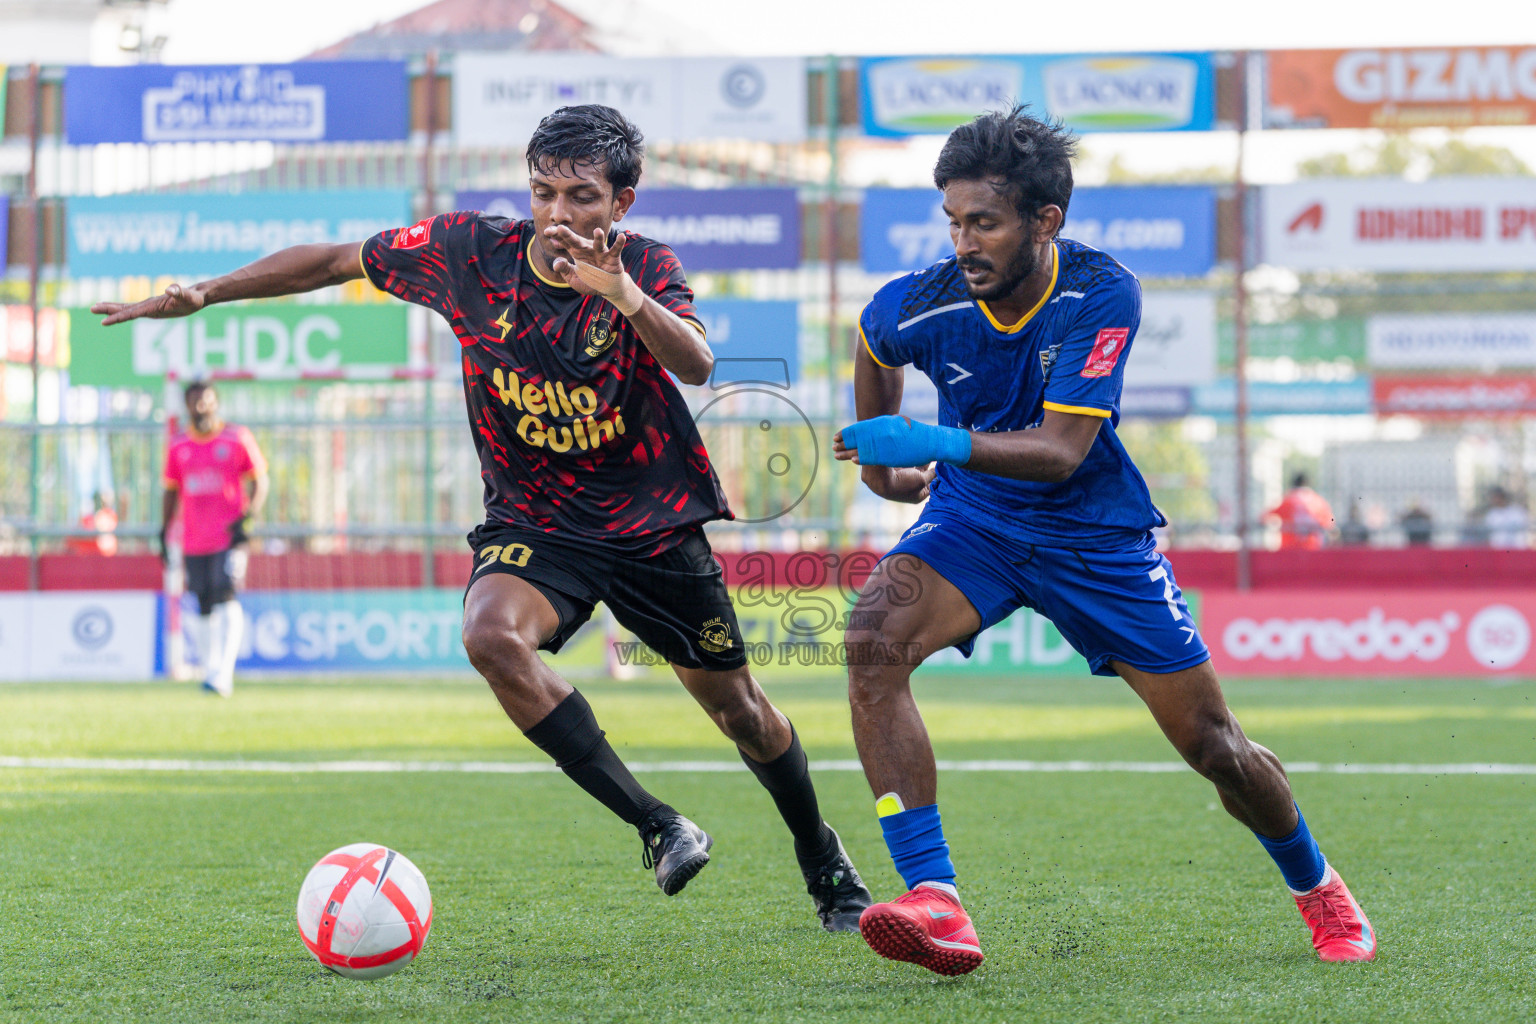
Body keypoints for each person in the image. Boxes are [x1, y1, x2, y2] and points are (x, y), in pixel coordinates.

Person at [91, 104, 872, 931]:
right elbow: (331, 260)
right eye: (543, 192)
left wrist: (624, 294)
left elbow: (699, 361)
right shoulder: (469, 252)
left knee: (740, 711)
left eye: (581, 197)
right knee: (489, 635)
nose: (558, 213)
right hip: (535, 522)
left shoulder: (644, 264)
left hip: (649, 525)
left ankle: (820, 853)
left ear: (621, 203)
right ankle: (658, 824)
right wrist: (208, 292)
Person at [832, 106, 1375, 976]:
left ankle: (1317, 885)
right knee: (871, 642)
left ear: (1046, 221)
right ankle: (936, 899)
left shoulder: (1100, 291)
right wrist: (879, 468)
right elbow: (873, 337)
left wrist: (927, 441)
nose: (963, 244)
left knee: (1216, 747)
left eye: (984, 223)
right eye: (953, 221)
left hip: (1095, 536)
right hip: (975, 521)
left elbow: (1059, 452)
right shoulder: (923, 300)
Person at [161, 382, 268, 697]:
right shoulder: (178, 445)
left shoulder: (236, 438)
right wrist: (163, 531)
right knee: (202, 601)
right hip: (194, 538)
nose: (200, 407)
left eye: (205, 400)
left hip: (228, 536)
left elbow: (260, 481)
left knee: (226, 594)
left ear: (216, 403)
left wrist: (247, 519)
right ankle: (211, 669)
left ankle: (224, 673)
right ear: (186, 405)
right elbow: (170, 491)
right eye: (194, 401)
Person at [1266, 472, 1334, 550]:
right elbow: (1331, 521)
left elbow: (1265, 516)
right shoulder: (1318, 501)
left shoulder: (1287, 500)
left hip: (1289, 548)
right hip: (1313, 548)